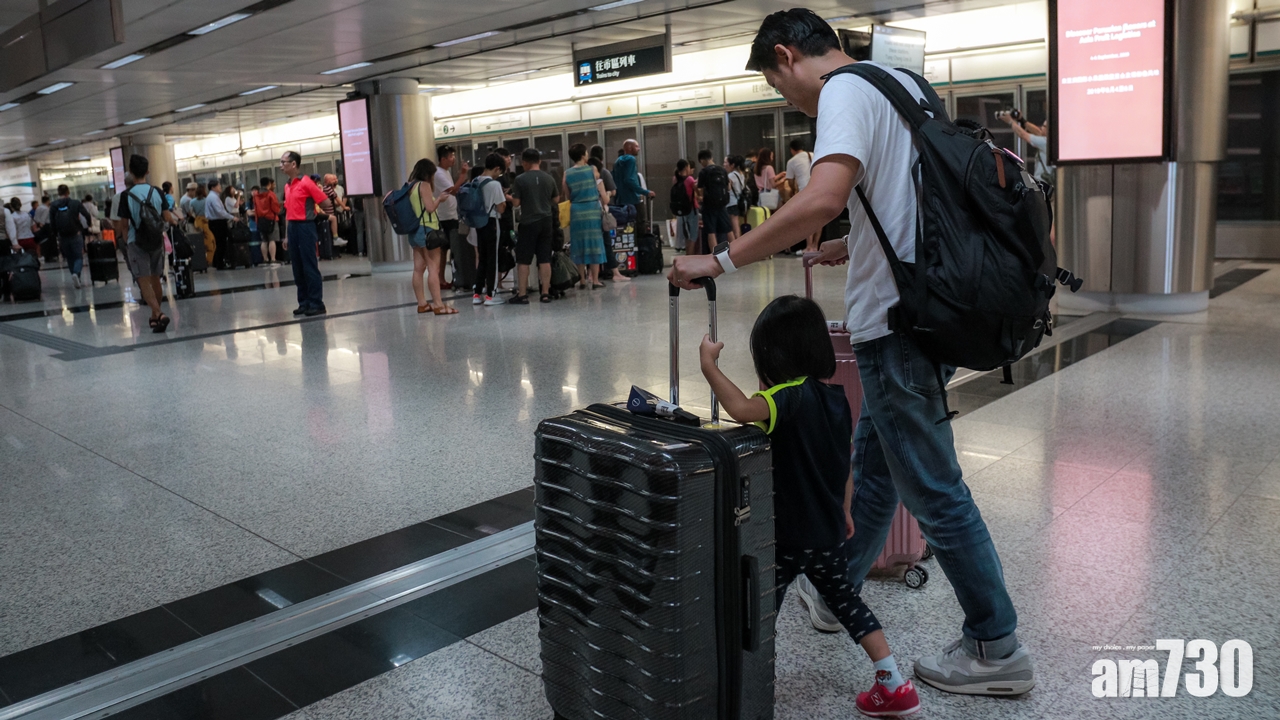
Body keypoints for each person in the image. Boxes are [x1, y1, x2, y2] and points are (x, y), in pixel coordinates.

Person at [670, 8, 1033, 698]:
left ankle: (996, 643)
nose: (790, 101)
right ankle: (831, 587)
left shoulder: (841, 90)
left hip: (896, 327)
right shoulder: (902, 81)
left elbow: (823, 195)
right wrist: (852, 242)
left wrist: (719, 260)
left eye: (781, 87)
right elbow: (908, 200)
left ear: (787, 55)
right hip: (933, 307)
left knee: (933, 488)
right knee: (876, 471)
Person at [700, 294, 921, 717]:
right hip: (827, 532)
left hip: (785, 535)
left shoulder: (787, 397)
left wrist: (710, 365)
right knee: (847, 603)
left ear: (773, 355)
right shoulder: (836, 399)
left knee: (761, 609)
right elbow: (847, 465)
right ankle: (894, 683)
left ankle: (744, 687)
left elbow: (741, 409)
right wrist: (844, 510)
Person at [118, 154, 177, 332]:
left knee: (143, 280)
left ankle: (159, 313)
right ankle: (154, 317)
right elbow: (167, 217)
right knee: (156, 279)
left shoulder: (126, 195)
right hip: (156, 240)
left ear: (130, 172)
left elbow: (124, 224)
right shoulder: (157, 191)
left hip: (137, 242)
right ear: (148, 171)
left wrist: (126, 241)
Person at [281, 150, 333, 316]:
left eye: (284, 162)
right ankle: (303, 302)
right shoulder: (287, 186)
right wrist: (287, 235)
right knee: (297, 267)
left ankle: (316, 302)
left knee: (309, 265)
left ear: (294, 164)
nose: (281, 165)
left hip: (305, 226)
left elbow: (325, 201)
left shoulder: (306, 182)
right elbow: (288, 211)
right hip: (293, 227)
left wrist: (313, 214)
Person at [404, 158, 457, 315]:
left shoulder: (410, 186)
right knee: (433, 268)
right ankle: (439, 305)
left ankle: (422, 304)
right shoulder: (424, 185)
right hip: (428, 230)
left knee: (418, 269)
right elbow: (429, 207)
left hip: (414, 231)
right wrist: (439, 199)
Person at [509, 148, 560, 304]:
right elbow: (556, 199)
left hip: (528, 223)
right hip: (546, 222)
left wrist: (507, 197)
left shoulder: (520, 179)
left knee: (524, 260)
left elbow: (516, 203)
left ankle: (522, 295)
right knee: (544, 258)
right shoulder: (549, 178)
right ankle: (545, 293)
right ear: (539, 161)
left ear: (524, 162)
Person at [563, 143, 606, 289]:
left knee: (579, 244)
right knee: (594, 244)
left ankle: (581, 280)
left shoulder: (567, 173)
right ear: (583, 156)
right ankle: (595, 280)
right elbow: (598, 182)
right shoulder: (592, 169)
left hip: (576, 210)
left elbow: (567, 194)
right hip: (592, 209)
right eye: (586, 153)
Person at [469, 153, 509, 306]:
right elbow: (501, 207)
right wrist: (503, 200)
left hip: (478, 223)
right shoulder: (494, 184)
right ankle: (491, 295)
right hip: (491, 222)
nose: (499, 175)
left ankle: (477, 293)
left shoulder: (475, 181)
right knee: (493, 258)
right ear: (497, 168)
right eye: (500, 172)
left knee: (483, 258)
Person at [434, 145, 469, 289]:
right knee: (446, 250)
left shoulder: (445, 172)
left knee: (447, 250)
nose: (453, 159)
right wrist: (463, 175)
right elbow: (453, 191)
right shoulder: (439, 173)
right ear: (443, 159)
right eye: (451, 156)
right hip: (445, 217)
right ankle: (441, 279)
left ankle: (444, 278)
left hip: (451, 214)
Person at [50, 185, 93, 287]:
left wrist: (56, 234)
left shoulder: (54, 205)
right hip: (76, 233)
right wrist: (89, 224)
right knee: (78, 256)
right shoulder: (75, 203)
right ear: (68, 192)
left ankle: (74, 276)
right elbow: (86, 215)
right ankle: (76, 274)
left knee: (69, 257)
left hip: (63, 235)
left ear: (58, 192)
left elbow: (52, 222)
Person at [780, 138, 819, 251]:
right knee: (818, 218)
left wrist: (792, 190)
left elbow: (790, 181)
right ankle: (815, 245)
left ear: (792, 150)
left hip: (805, 192)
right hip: (817, 190)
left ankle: (808, 246)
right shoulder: (813, 155)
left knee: (808, 220)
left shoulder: (792, 161)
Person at [695, 149, 731, 253]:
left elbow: (700, 191)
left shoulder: (704, 172)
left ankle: (715, 255)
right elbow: (728, 187)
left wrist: (699, 195)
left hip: (709, 205)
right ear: (712, 157)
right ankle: (734, 253)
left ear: (702, 160)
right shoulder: (722, 170)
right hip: (722, 205)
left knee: (711, 231)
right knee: (728, 229)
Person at [613, 139, 655, 211]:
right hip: (632, 199)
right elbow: (629, 179)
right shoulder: (631, 159)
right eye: (636, 146)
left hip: (620, 200)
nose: (638, 149)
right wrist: (645, 192)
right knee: (640, 221)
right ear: (629, 148)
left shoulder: (617, 161)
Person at [204, 178, 234, 269]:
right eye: (218, 185)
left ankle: (218, 262)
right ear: (213, 187)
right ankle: (219, 263)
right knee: (221, 243)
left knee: (220, 243)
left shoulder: (213, 196)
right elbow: (219, 211)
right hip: (217, 222)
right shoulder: (213, 197)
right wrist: (232, 217)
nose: (220, 187)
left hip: (215, 222)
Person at [671, 159, 698, 252]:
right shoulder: (690, 179)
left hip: (681, 210)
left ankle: (687, 255)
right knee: (693, 235)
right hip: (691, 209)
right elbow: (697, 191)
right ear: (686, 167)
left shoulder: (675, 178)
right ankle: (690, 256)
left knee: (686, 234)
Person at [255, 178, 283, 266]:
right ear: (269, 184)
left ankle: (265, 259)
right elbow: (275, 208)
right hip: (271, 218)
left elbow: (255, 208)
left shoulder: (256, 195)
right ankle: (273, 259)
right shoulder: (271, 194)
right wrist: (280, 209)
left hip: (260, 219)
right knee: (272, 239)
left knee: (264, 240)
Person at [725, 155, 747, 240]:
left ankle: (736, 246)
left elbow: (728, 188)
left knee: (733, 227)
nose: (725, 165)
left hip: (731, 202)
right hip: (737, 201)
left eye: (727, 163)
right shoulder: (741, 174)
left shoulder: (731, 175)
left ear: (732, 165)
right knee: (736, 225)